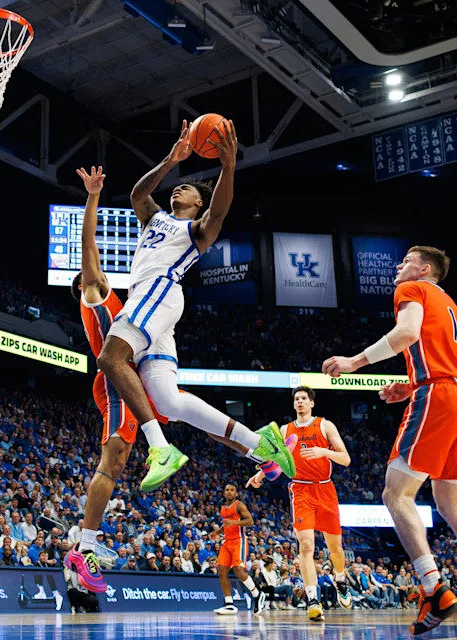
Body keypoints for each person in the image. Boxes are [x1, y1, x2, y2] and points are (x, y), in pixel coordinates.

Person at [64, 166, 278, 593]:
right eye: (97, 279)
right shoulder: (96, 297)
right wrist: (92, 198)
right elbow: (88, 246)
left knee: (182, 407)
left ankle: (260, 452)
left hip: (139, 375)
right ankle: (82, 548)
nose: (103, 278)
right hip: (118, 383)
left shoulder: (137, 303)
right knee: (117, 458)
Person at [322, 246, 457, 636]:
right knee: (453, 506)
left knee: (395, 495)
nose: (399, 267)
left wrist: (354, 362)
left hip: (440, 397)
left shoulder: (411, 290)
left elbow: (408, 332)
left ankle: (433, 589)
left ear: (424, 269)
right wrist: (411, 385)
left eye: (406, 261)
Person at [96, 121, 295, 491]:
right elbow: (138, 195)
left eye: (187, 189)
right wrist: (172, 159)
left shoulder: (198, 229)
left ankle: (160, 448)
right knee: (168, 402)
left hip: (158, 292)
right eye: (178, 186)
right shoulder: (155, 218)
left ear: (198, 203)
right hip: (150, 301)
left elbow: (219, 212)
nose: (179, 189)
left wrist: (229, 167)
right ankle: (259, 442)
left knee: (110, 358)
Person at [247, 386, 353, 620]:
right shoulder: (286, 430)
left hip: (325, 488)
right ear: (293, 404)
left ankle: (340, 577)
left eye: (304, 398)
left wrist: (323, 452)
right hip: (300, 489)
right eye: (297, 399)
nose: (300, 402)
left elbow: (345, 459)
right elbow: (274, 459)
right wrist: (260, 475)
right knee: (305, 546)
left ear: (312, 403)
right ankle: (313, 600)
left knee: (335, 548)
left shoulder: (325, 425)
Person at [210, 484, 265, 615]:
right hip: (227, 542)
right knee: (221, 571)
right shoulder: (223, 508)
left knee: (238, 570)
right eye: (226, 490)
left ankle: (257, 594)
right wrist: (217, 532)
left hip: (239, 541)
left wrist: (233, 523)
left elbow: (250, 521)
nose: (229, 492)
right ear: (224, 493)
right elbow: (226, 524)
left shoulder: (239, 505)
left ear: (236, 493)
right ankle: (229, 604)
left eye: (232, 490)